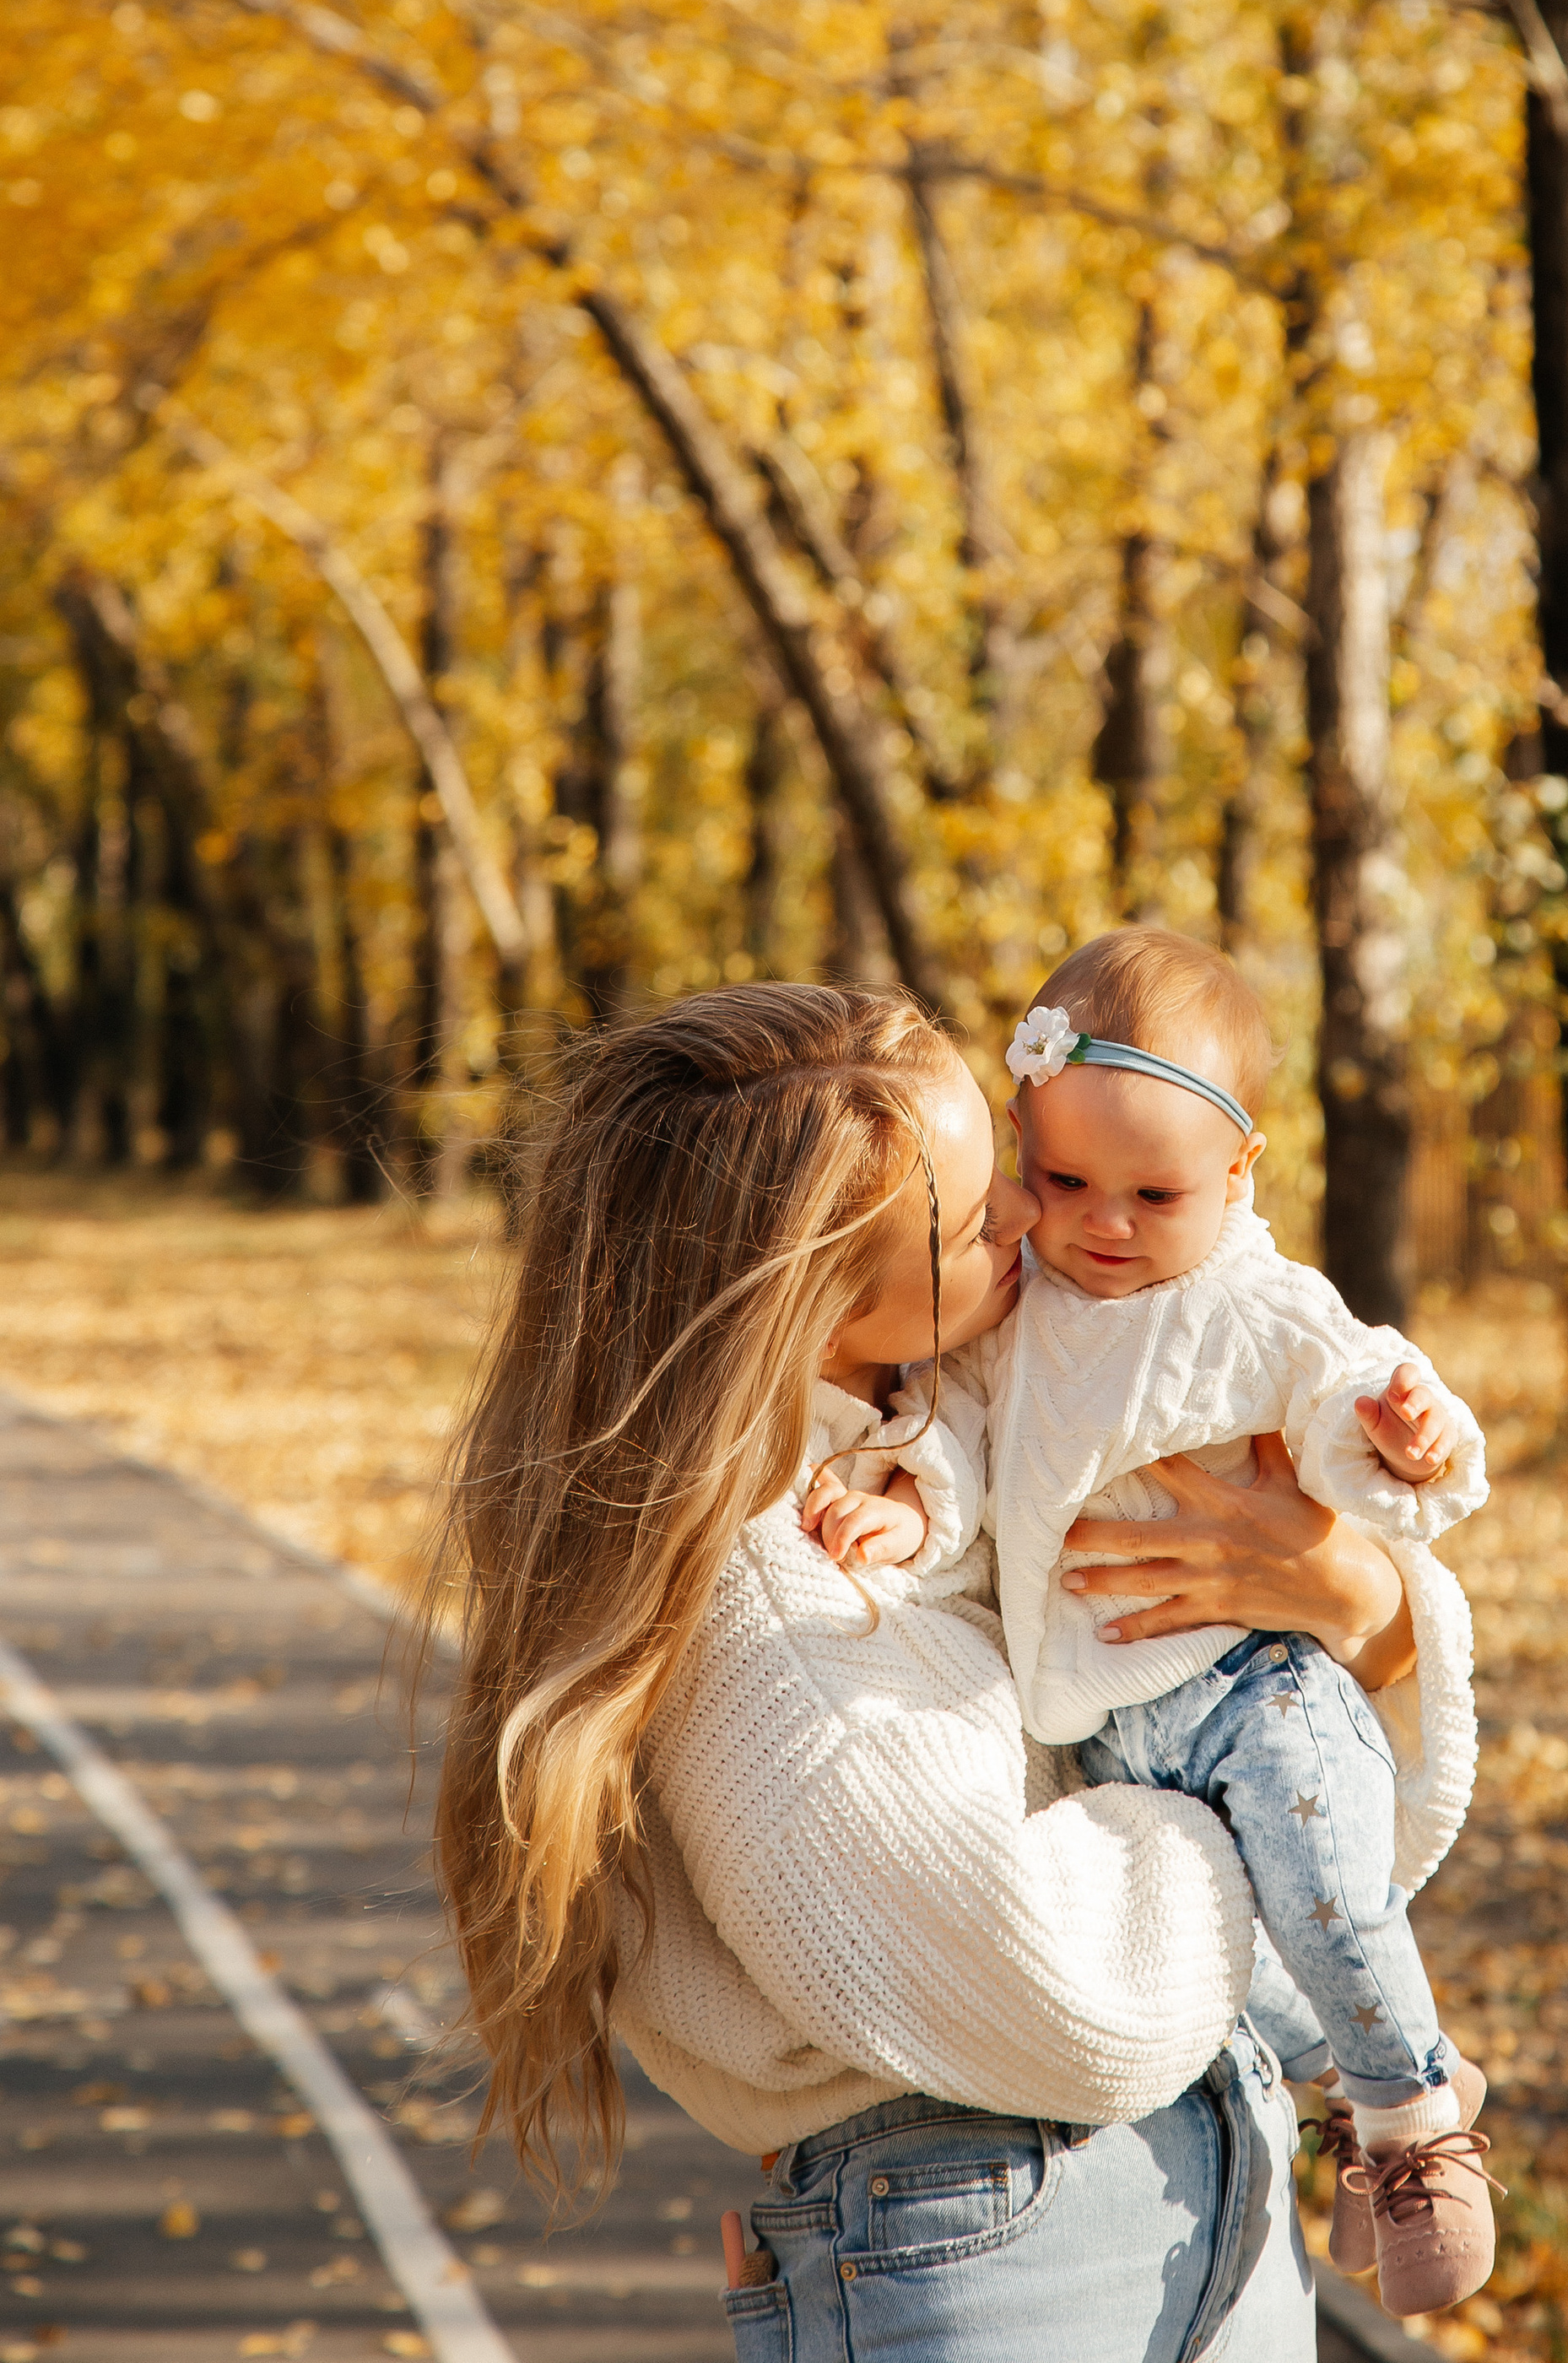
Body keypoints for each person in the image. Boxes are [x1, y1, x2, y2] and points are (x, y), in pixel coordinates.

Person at [424, 981, 1481, 2361]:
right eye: (991, 1212)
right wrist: (1277, 1825)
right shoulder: (764, 1592)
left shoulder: (932, 1417)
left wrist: (1365, 1604)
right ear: (812, 1291)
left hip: (1177, 2197)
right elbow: (1056, 1987)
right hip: (1000, 2252)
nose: (1040, 1224)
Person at [810, 929, 1495, 2318]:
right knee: (1255, 1959)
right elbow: (962, 1436)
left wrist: (1409, 1438)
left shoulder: (1254, 1299)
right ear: (1020, 1150)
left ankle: (1419, 2121)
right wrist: (912, 1508)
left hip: (1256, 1684)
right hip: (1111, 1717)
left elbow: (1355, 1395)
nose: (1102, 1223)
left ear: (1240, 1174)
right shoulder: (1016, 1314)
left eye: (1153, 1193)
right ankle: (1364, 2082)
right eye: (1062, 1182)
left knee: (1322, 1884)